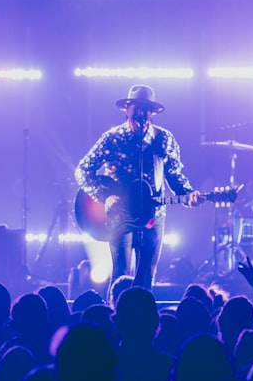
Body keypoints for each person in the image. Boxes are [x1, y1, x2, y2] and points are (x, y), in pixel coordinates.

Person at [75, 85, 202, 291]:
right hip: (119, 216)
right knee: (121, 274)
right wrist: (105, 196)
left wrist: (188, 194)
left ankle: (143, 318)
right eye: (137, 109)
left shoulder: (164, 139)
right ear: (128, 109)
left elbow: (175, 175)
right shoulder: (112, 138)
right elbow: (83, 171)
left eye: (146, 110)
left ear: (151, 113)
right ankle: (115, 316)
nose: (141, 115)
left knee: (146, 274)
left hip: (153, 215)